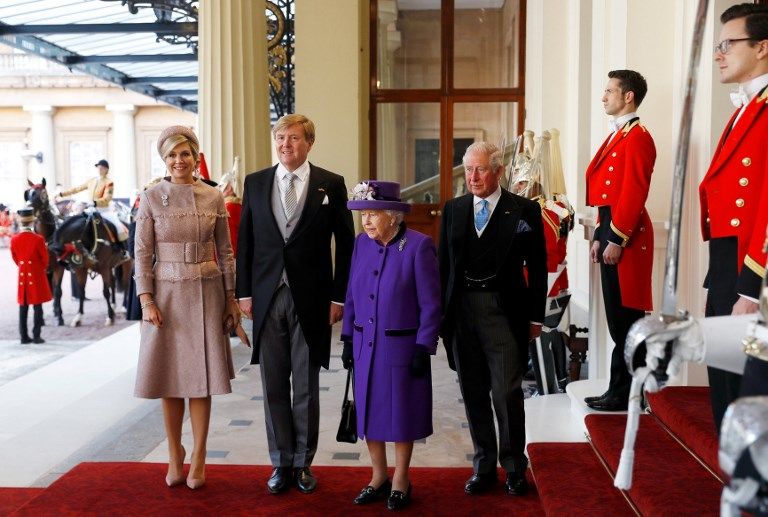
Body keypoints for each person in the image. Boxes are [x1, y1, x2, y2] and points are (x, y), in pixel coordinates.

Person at [236, 114, 354, 494]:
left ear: (310, 143)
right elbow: (246, 243)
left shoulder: (331, 185)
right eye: (280, 137)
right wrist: (244, 292)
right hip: (267, 296)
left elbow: (346, 245)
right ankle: (279, 463)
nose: (285, 144)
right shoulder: (255, 183)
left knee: (305, 384)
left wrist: (339, 297)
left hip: (313, 299)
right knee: (272, 383)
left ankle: (303, 463)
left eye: (294, 138)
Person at [133, 125, 241, 490]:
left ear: (196, 158)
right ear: (164, 160)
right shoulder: (150, 197)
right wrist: (146, 300)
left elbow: (226, 253)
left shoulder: (212, 198)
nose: (179, 161)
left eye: (185, 154)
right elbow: (142, 253)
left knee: (200, 380)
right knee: (169, 378)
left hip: (207, 293)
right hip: (164, 296)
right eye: (171, 155)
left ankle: (199, 456)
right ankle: (173, 453)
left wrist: (230, 297)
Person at [439, 142, 547, 497]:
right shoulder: (453, 210)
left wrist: (536, 317)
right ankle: (484, 467)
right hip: (462, 313)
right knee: (473, 393)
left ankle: (515, 467)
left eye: (480, 169)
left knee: (506, 392)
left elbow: (539, 268)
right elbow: (444, 269)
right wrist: (443, 319)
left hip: (504, 312)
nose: (472, 177)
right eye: (468, 170)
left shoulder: (524, 210)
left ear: (498, 172)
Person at [340, 181, 440, 511]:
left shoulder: (418, 246)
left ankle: (401, 478)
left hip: (401, 348)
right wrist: (346, 337)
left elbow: (430, 303)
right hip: (365, 345)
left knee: (401, 414)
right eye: (363, 215)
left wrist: (423, 346)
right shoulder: (361, 245)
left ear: (393, 216)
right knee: (368, 411)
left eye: (373, 214)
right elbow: (352, 294)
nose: (366, 221)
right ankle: (378, 475)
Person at [699, 2, 768, 432]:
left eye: (728, 43)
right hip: (725, 262)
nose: (719, 54)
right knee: (724, 384)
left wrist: (751, 284)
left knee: (749, 393)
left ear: (762, 47)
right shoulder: (746, 106)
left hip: (752, 266)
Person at [584, 69, 656, 412]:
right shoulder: (620, 135)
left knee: (627, 318)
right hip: (612, 229)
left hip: (629, 236)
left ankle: (627, 392)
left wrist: (617, 238)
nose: (604, 96)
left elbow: (633, 192)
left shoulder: (638, 136)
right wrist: (601, 233)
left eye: (610, 90)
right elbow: (607, 195)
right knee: (618, 317)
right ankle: (620, 389)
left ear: (628, 96)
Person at [57, 158, 129, 261]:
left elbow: (107, 198)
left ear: (106, 169)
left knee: (118, 226)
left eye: (101, 168)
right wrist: (62, 194)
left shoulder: (109, 182)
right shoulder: (92, 180)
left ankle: (123, 250)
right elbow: (78, 188)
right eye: (98, 167)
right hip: (91, 209)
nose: (99, 169)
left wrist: (95, 202)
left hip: (104, 210)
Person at [10, 207, 52, 344]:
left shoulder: (14, 239)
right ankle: (36, 335)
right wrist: (37, 268)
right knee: (37, 306)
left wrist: (24, 265)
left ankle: (23, 336)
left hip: (23, 275)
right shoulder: (38, 239)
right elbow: (45, 260)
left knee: (23, 306)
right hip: (36, 274)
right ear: (32, 222)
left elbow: (15, 258)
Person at [218, 157, 243, 256]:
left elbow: (230, 235)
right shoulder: (239, 206)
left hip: (233, 254)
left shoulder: (229, 207)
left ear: (228, 188)